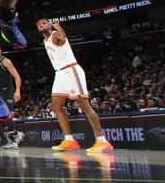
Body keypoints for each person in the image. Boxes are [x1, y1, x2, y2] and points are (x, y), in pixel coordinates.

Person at [36, 18, 114, 152]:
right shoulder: (45, 40)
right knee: (55, 106)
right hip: (60, 73)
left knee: (84, 106)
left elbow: (62, 38)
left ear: (50, 25)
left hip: (70, 70)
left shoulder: (55, 35)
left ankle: (102, 141)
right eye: (39, 24)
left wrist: (59, 28)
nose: (41, 25)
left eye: (44, 23)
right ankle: (69, 140)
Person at [0, 42, 24, 149]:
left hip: (8, 90)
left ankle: (13, 140)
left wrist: (17, 91)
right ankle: (17, 134)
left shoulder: (6, 61)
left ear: (0, 51)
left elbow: (17, 77)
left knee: (6, 114)